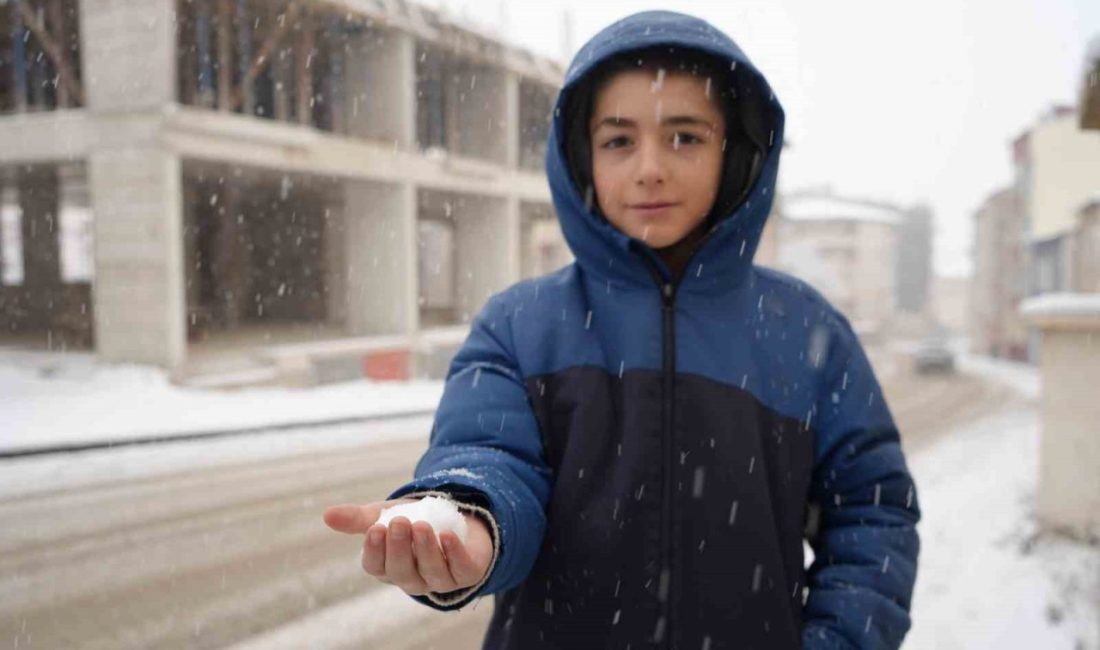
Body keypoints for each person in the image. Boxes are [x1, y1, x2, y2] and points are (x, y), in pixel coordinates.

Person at [323, 9, 921, 649]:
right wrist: (467, 523)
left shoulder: (806, 332)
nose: (649, 168)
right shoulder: (521, 325)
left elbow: (871, 511)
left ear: (736, 148)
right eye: (618, 140)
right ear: (583, 155)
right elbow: (489, 456)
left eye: (685, 137)